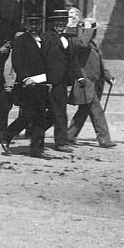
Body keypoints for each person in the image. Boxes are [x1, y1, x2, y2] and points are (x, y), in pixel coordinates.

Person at [1, 15, 51, 159]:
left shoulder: (43, 40)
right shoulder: (21, 41)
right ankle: (8, 134)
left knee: (39, 117)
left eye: (37, 24)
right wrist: (25, 78)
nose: (34, 27)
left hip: (41, 84)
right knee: (28, 115)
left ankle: (36, 150)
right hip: (27, 86)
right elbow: (17, 62)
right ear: (26, 25)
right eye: (31, 24)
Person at [67, 18, 117, 148]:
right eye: (93, 31)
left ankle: (69, 136)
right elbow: (82, 43)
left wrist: (108, 77)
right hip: (84, 84)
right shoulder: (78, 42)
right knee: (97, 111)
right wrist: (89, 29)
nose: (95, 33)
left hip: (93, 84)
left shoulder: (93, 45)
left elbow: (100, 64)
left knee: (83, 111)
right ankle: (104, 139)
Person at [42, 9, 77, 153]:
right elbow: (43, 60)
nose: (61, 24)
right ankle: (60, 142)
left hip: (62, 82)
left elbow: (72, 60)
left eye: (63, 21)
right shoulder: (47, 38)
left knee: (58, 112)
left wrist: (79, 77)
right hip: (50, 82)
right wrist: (46, 80)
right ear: (52, 23)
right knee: (57, 112)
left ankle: (36, 131)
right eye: (58, 21)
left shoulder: (68, 39)